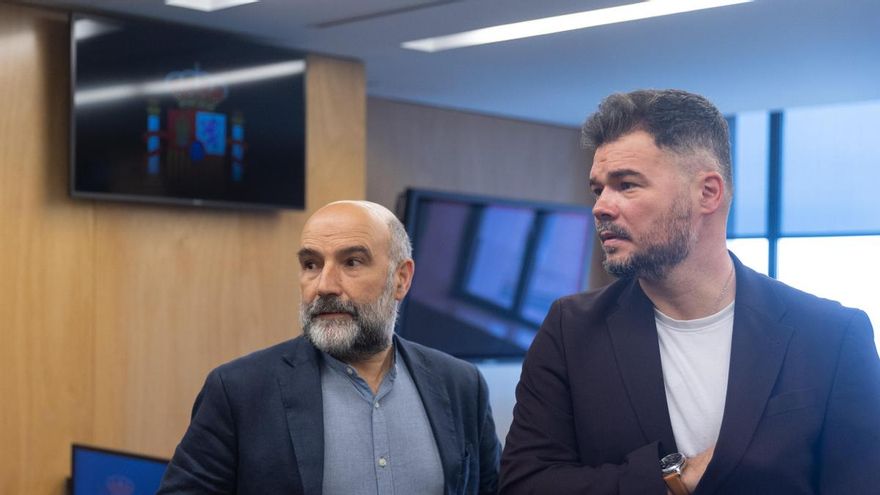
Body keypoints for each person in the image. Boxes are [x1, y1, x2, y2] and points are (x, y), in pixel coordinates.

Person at [499, 89, 880, 494]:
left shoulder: (830, 335)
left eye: (626, 185)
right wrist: (673, 480)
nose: (601, 207)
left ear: (708, 193)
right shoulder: (571, 329)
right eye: (598, 189)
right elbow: (525, 484)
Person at [158, 200, 501, 495]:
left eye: (351, 262)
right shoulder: (239, 392)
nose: (324, 285)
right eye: (311, 264)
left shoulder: (461, 385)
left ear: (401, 279)